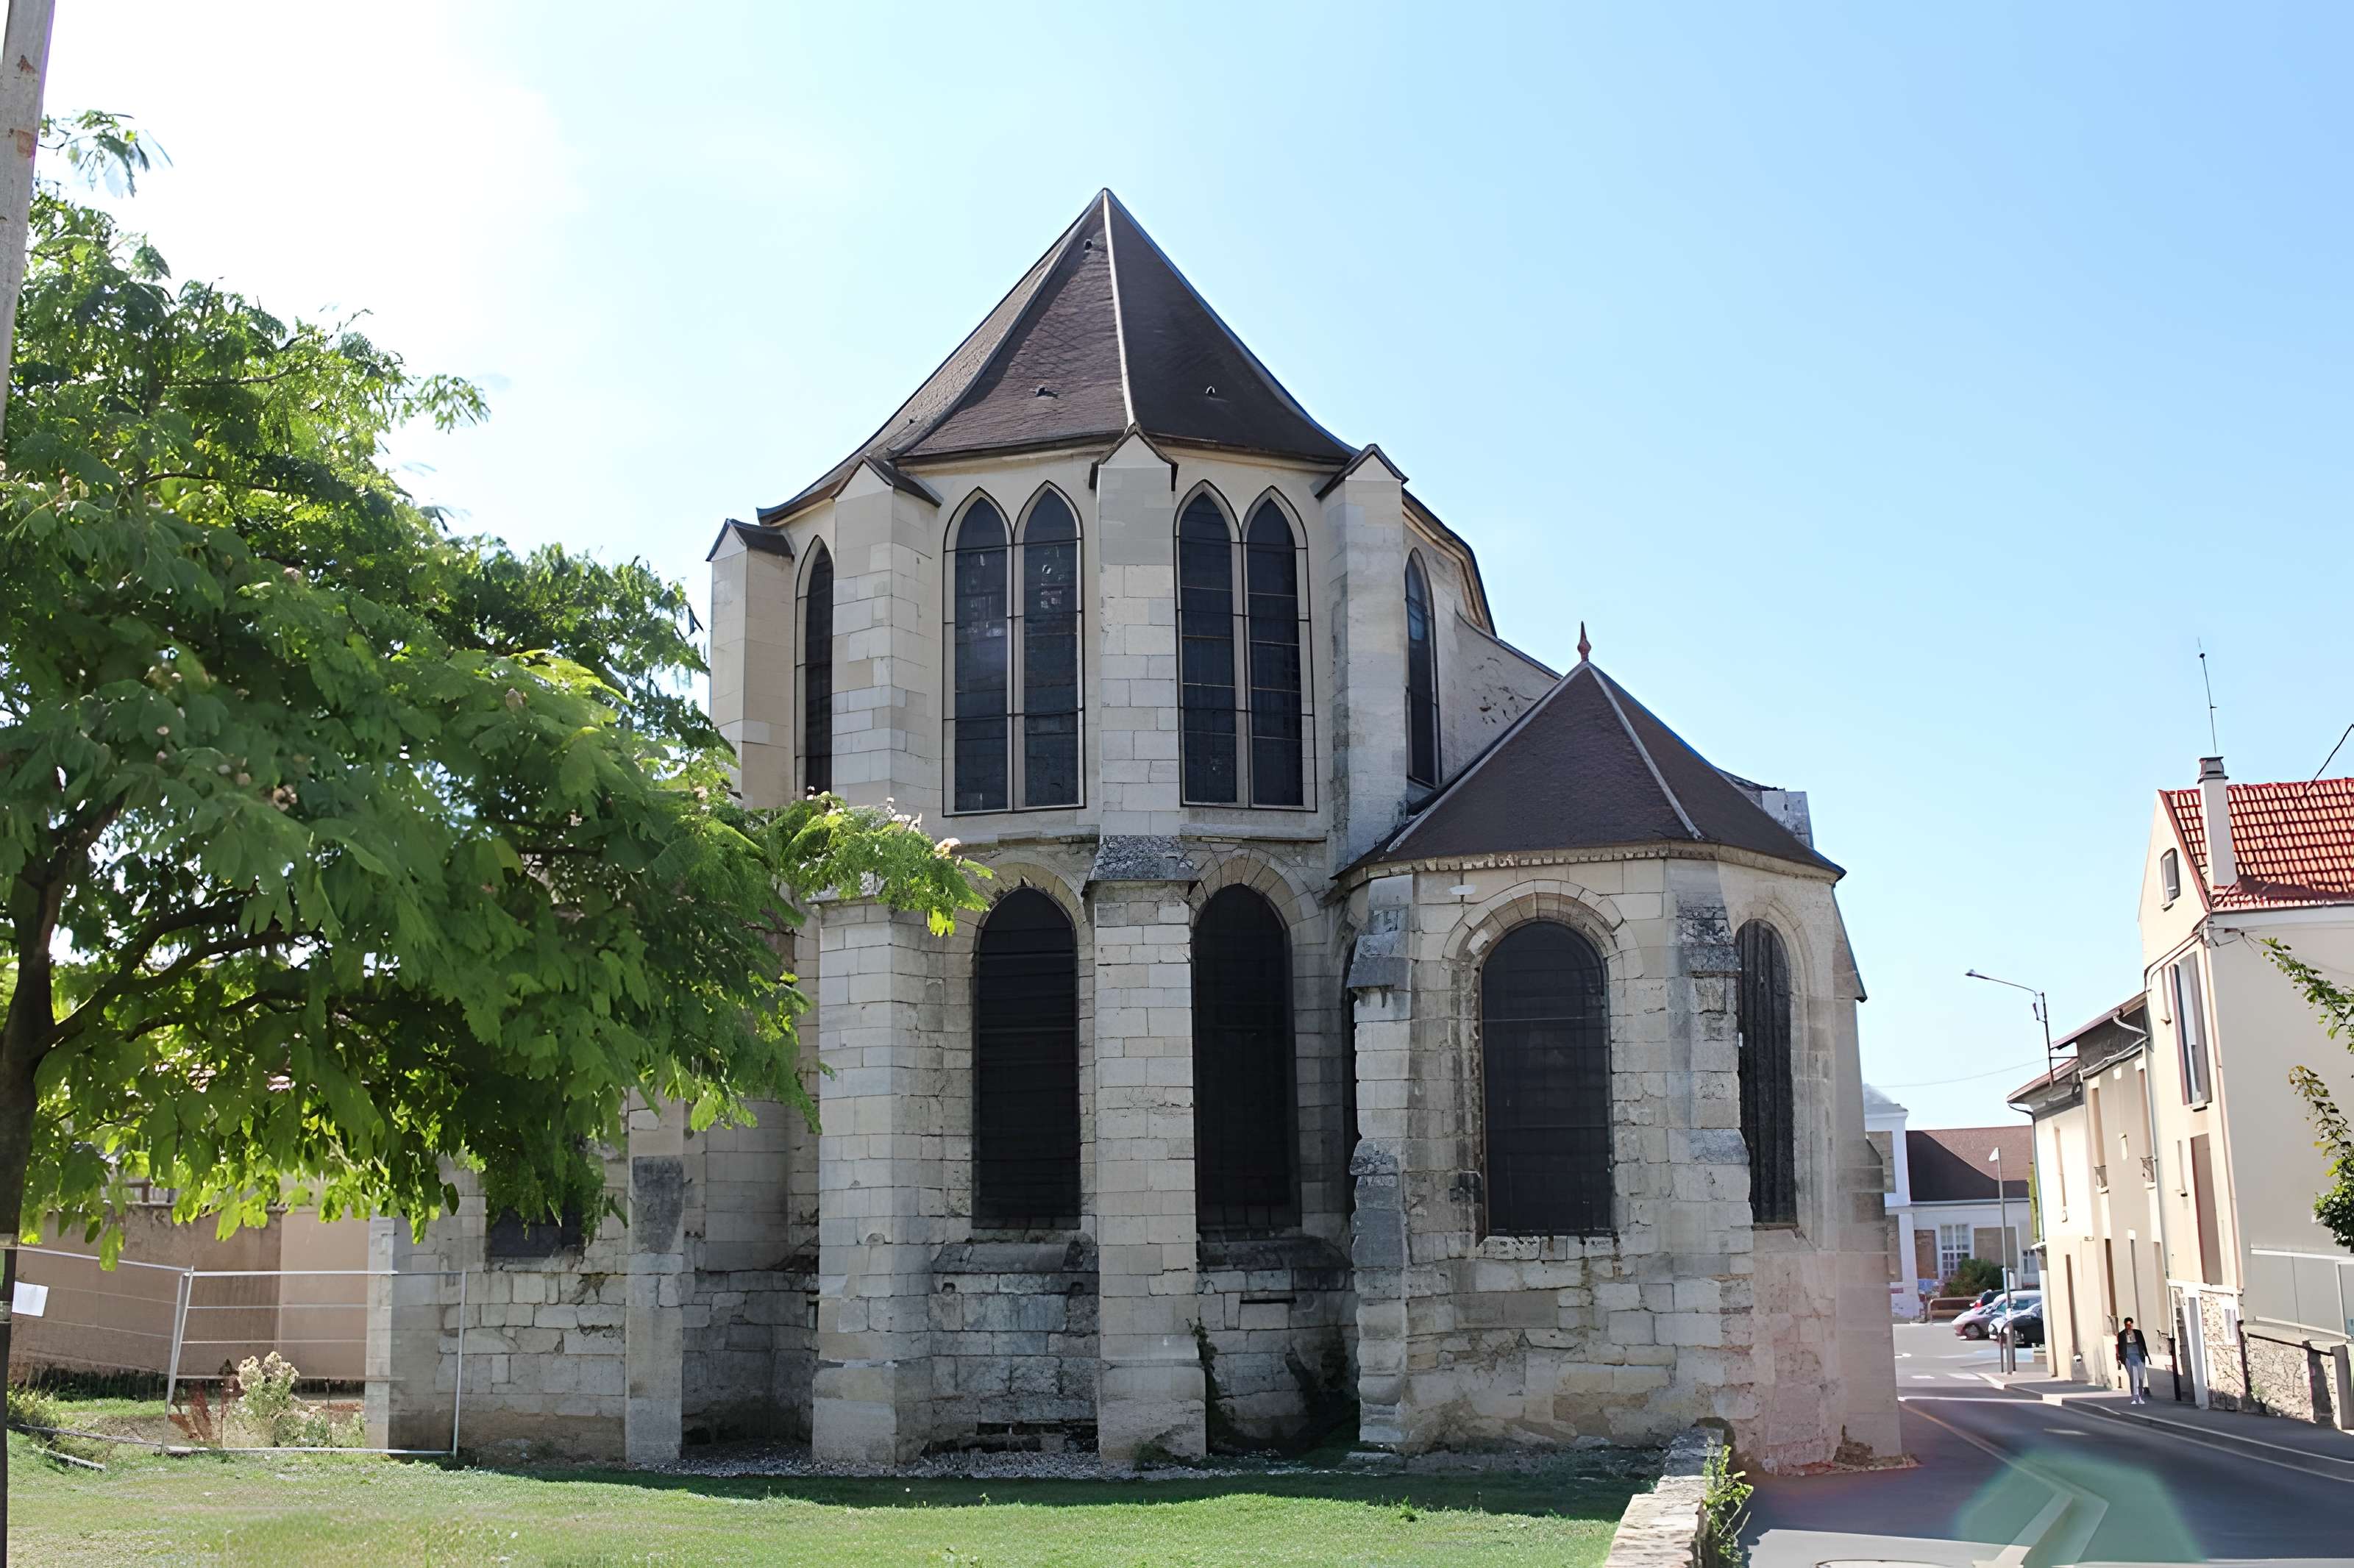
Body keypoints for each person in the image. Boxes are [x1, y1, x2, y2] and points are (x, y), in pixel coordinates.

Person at [2116, 1316, 2151, 1404]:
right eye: (2127, 1325)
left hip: (2139, 1355)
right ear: (2125, 1325)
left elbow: (2143, 1344)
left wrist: (2147, 1356)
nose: (2129, 1326)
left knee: (2141, 1377)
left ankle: (2140, 1397)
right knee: (2133, 1377)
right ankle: (2134, 1398)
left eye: (2130, 1325)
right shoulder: (2121, 1335)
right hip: (2128, 1356)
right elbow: (2120, 1348)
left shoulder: (2138, 1333)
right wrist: (2121, 1359)